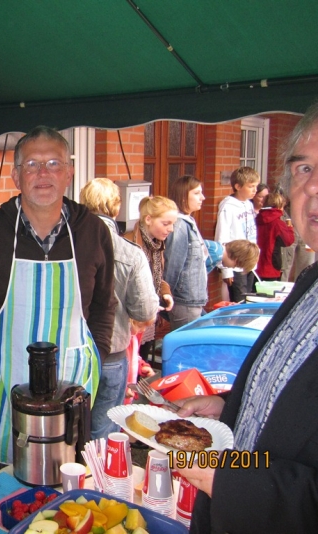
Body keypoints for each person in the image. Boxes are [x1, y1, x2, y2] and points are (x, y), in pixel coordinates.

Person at [176, 101, 318, 533]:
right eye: (304, 170)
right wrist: (229, 409)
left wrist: (228, 479)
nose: (313, 189)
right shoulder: (310, 283)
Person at [0, 126, 116, 470]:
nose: (43, 174)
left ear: (69, 173)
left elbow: (104, 304)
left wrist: (95, 355)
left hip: (74, 384)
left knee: (68, 486)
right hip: (6, 386)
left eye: (54, 163)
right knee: (8, 487)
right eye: (32, 165)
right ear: (15, 176)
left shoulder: (93, 231)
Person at [80, 178, 158, 439]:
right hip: (111, 353)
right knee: (103, 430)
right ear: (115, 207)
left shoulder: (63, 248)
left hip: (72, 354)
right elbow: (145, 310)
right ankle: (97, 478)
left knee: (68, 429)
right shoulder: (130, 252)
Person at [125, 196, 177, 360]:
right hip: (131, 319)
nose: (171, 229)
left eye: (172, 224)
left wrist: (165, 292)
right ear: (148, 219)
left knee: (142, 361)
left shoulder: (156, 245)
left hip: (148, 317)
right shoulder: (128, 243)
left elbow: (154, 277)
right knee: (132, 364)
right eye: (166, 223)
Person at [164, 175, 208, 330]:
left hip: (194, 299)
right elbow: (173, 264)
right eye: (196, 193)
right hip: (185, 300)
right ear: (183, 196)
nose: (202, 197)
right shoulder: (180, 226)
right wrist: (165, 294)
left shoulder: (189, 222)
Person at [214, 166, 259, 302]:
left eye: (256, 186)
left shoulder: (249, 205)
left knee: (249, 298)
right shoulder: (228, 207)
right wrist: (225, 269)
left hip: (249, 261)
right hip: (235, 262)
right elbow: (221, 236)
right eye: (251, 186)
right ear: (238, 186)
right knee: (239, 299)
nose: (254, 190)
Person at [255, 189, 295, 281]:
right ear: (279, 206)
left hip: (255, 263)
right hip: (271, 264)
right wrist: (289, 227)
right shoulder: (278, 223)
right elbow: (288, 241)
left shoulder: (257, 218)